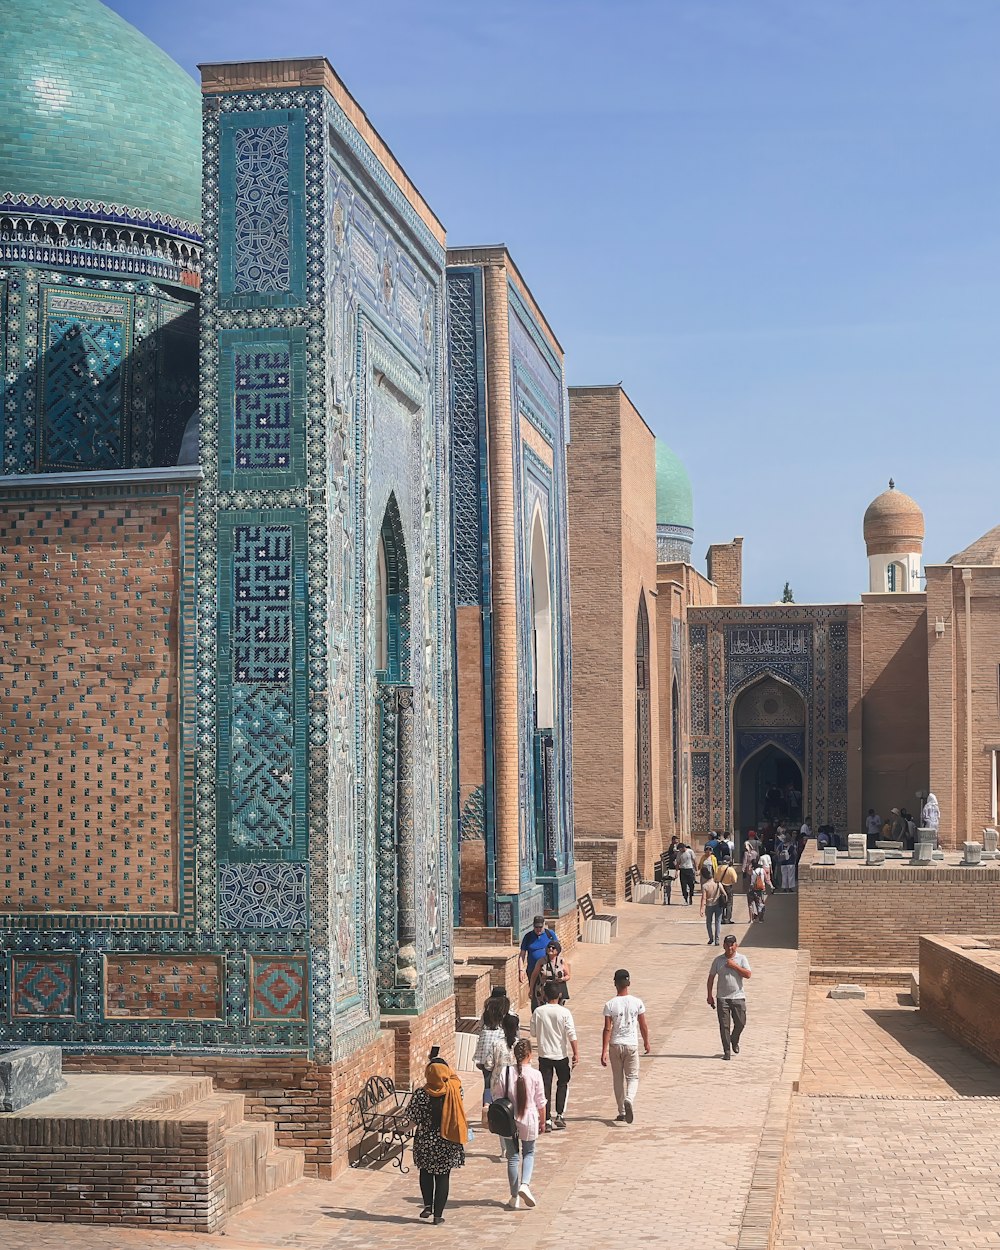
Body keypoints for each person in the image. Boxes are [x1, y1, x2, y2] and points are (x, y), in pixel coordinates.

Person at [410, 1050, 468, 1224]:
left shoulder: (421, 1094)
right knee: (443, 1177)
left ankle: (428, 1205)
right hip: (447, 1140)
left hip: (425, 1142)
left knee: (425, 1172)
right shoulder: (455, 1092)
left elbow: (413, 1118)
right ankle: (438, 1215)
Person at [492, 1037, 546, 1210]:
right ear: (530, 1055)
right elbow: (541, 1102)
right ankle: (525, 1184)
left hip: (509, 1120)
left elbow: (498, 1097)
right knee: (529, 1152)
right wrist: (543, 1122)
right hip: (529, 1118)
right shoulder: (536, 1075)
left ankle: (514, 1196)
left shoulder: (505, 1073)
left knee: (513, 1157)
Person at [600, 968, 650, 1123]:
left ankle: (621, 1111)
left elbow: (607, 1028)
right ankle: (629, 1098)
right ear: (628, 983)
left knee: (617, 1078)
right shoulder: (637, 1002)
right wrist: (647, 1042)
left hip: (615, 1044)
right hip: (631, 1044)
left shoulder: (610, 1004)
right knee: (633, 1077)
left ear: (615, 983)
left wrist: (603, 1051)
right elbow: (643, 1025)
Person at [531, 980, 579, 1130]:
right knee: (563, 1083)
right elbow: (571, 1034)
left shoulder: (538, 1012)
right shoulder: (565, 1012)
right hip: (560, 1055)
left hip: (544, 1054)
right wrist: (576, 1053)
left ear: (544, 995)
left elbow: (532, 1032)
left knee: (545, 1086)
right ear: (559, 995)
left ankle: (546, 1119)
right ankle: (559, 1114)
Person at [708, 935, 752, 1060]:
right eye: (727, 944)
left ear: (736, 945)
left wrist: (734, 966)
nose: (730, 947)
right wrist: (709, 995)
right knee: (724, 1026)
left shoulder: (742, 958)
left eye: (732, 944)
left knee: (741, 1023)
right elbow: (711, 978)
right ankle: (726, 1051)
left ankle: (734, 1039)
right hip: (722, 998)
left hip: (738, 996)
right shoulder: (718, 960)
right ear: (724, 945)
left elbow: (748, 974)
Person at [473, 991, 512, 1123]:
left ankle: (486, 1106)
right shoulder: (506, 1012)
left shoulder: (486, 1012)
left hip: (485, 1047)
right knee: (502, 1082)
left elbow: (480, 1027)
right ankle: (500, 1111)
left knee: (488, 1083)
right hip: (500, 1048)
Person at [529, 939, 570, 1011]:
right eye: (549, 947)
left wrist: (562, 979)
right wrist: (531, 989)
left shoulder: (561, 961)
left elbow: (568, 975)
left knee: (557, 1010)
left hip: (557, 989)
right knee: (543, 1010)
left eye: (553, 948)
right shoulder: (541, 961)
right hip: (543, 990)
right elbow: (534, 976)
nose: (550, 949)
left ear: (557, 950)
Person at [518, 915, 557, 987]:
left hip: (548, 969)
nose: (538, 929)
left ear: (544, 925)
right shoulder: (528, 937)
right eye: (536, 927)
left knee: (549, 992)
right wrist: (521, 970)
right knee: (535, 993)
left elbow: (558, 951)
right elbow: (522, 955)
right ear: (533, 926)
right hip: (532, 970)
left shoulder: (550, 934)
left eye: (540, 927)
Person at [700, 871, 726, 945]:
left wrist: (701, 908)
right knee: (718, 922)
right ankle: (717, 940)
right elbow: (724, 894)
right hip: (718, 905)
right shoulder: (718, 884)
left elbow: (704, 898)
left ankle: (711, 938)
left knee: (709, 922)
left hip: (709, 905)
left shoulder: (705, 886)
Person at [714, 851, 738, 924]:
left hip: (719, 886)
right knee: (729, 903)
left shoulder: (718, 868)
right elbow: (735, 880)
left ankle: (720, 918)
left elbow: (715, 878)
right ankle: (727, 919)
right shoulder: (730, 869)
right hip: (728, 887)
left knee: (720, 902)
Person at [662, 835, 679, 905]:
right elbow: (672, 857)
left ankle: (667, 899)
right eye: (676, 840)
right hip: (671, 868)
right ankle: (666, 899)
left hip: (671, 868)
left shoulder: (674, 847)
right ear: (673, 840)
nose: (677, 841)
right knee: (667, 885)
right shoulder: (672, 847)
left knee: (668, 885)